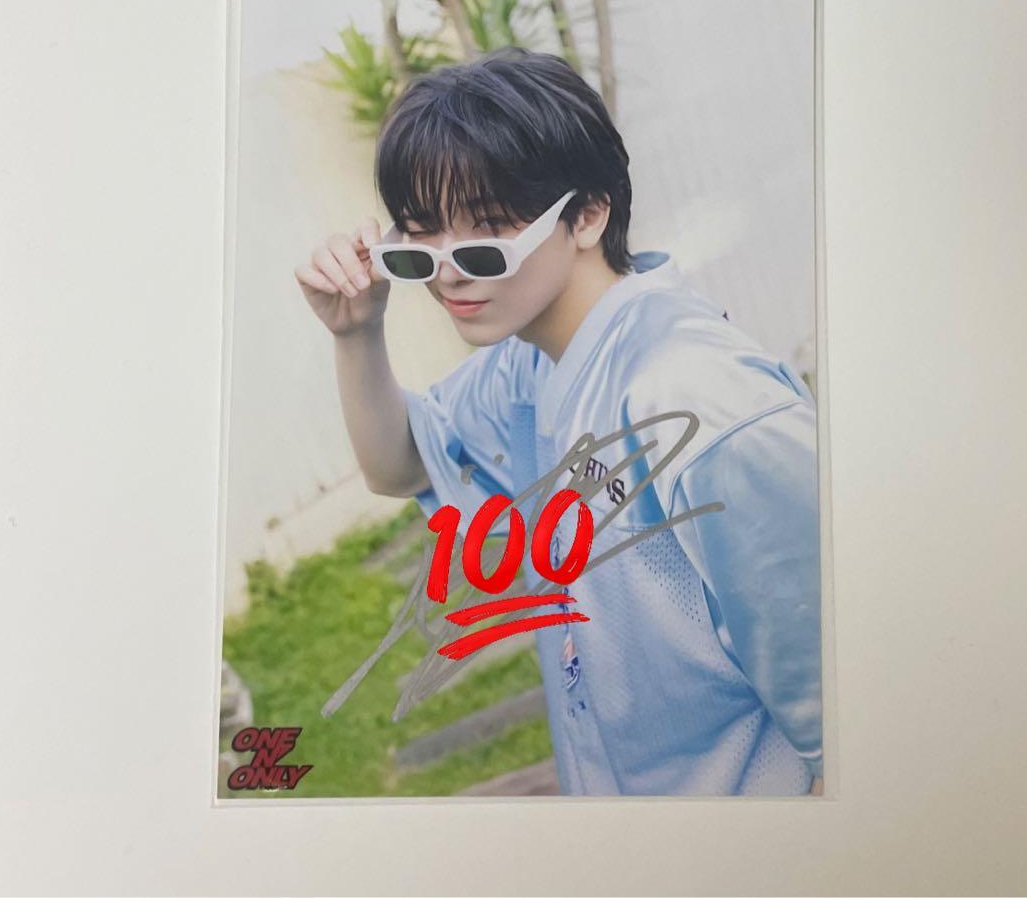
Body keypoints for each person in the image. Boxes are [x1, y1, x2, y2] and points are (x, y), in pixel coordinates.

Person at [295, 46, 824, 797]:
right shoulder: (530, 365)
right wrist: (355, 332)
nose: (448, 271)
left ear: (589, 213)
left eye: (486, 231)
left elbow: (850, 723)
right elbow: (401, 463)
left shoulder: (703, 402)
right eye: (419, 236)